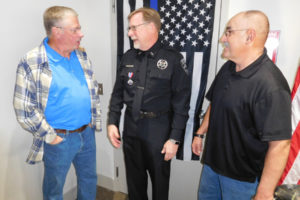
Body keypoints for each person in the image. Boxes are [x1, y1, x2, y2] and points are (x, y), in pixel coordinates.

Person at [192, 10, 291, 200]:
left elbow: (280, 145)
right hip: (212, 166)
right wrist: (200, 132)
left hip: (242, 181)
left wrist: (264, 193)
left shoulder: (271, 86)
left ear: (249, 36)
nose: (222, 38)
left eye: (229, 32)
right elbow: (217, 102)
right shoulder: (229, 67)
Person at [13, 6, 101, 199]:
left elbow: (90, 91)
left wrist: (93, 123)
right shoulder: (33, 61)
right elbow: (24, 108)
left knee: (89, 180)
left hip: (86, 134)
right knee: (54, 189)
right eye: (75, 29)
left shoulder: (81, 55)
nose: (81, 33)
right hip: (59, 139)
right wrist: (50, 136)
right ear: (57, 31)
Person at [107, 7, 190, 200]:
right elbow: (118, 94)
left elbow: (181, 104)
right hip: (131, 127)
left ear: (151, 27)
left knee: (160, 185)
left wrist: (174, 139)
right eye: (129, 28)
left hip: (158, 130)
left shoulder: (173, 59)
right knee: (134, 183)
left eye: (134, 28)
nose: (129, 33)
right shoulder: (128, 57)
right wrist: (112, 121)